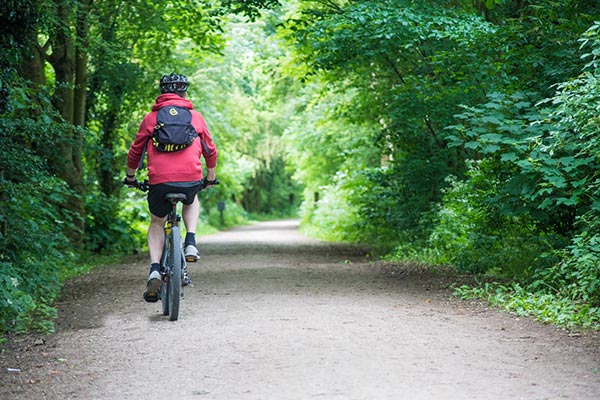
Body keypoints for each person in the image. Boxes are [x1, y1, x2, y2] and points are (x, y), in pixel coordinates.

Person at [124, 73, 218, 303]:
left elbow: (136, 151)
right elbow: (210, 150)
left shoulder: (150, 119)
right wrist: (210, 177)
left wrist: (130, 177)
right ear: (184, 93)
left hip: (159, 180)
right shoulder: (195, 117)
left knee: (157, 221)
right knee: (192, 197)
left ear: (162, 92)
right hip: (189, 178)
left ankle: (155, 268)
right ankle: (191, 242)